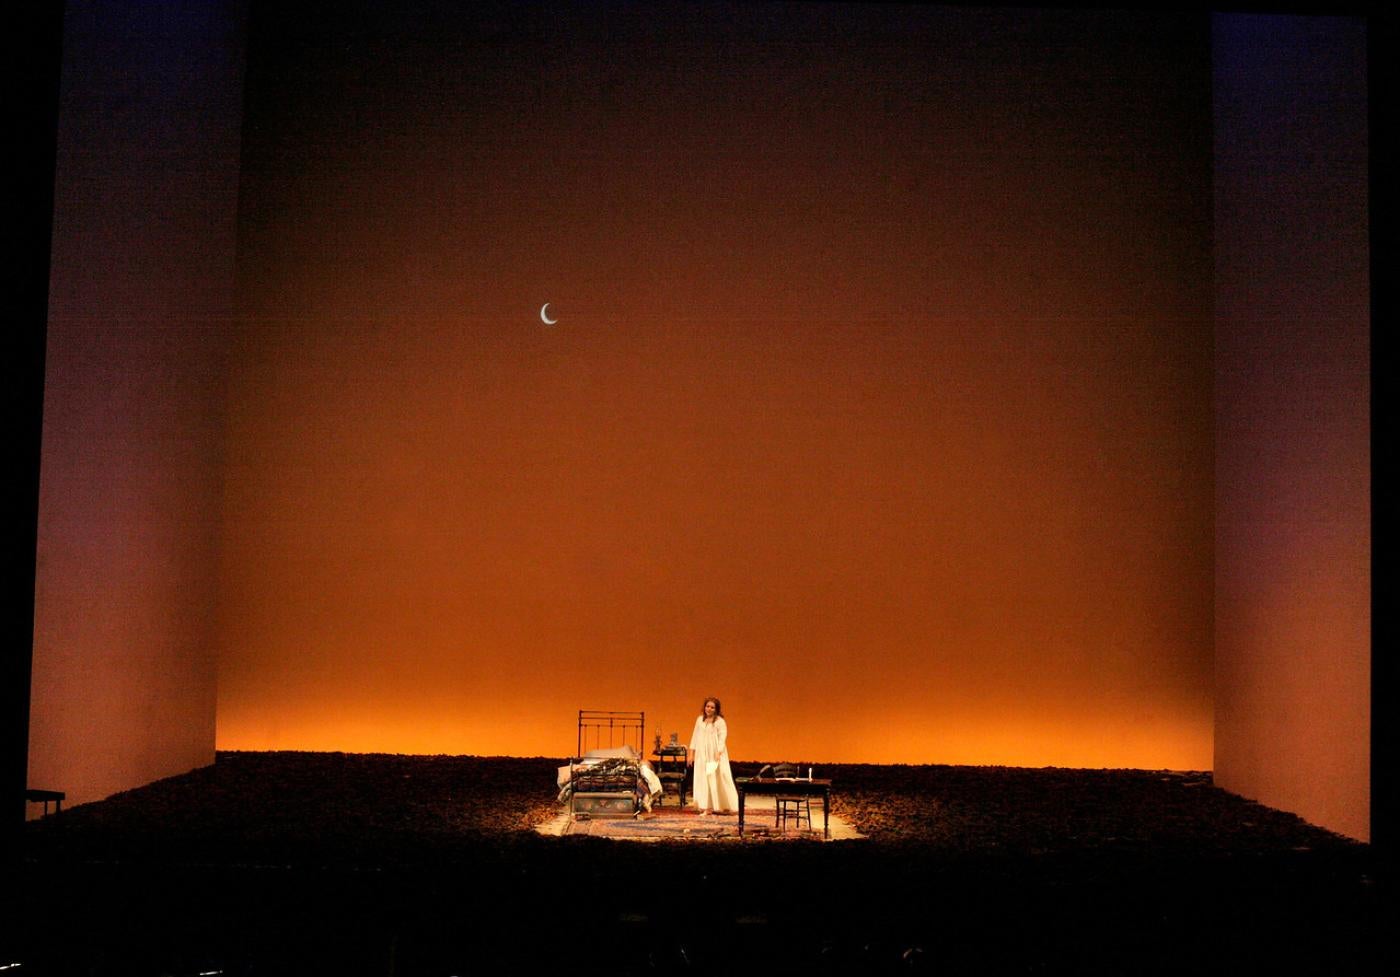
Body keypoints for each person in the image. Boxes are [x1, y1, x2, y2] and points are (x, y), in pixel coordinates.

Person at [688, 696, 738, 815]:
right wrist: (691, 754)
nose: (709, 709)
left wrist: (718, 752)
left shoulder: (720, 722)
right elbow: (694, 737)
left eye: (712, 707)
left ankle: (722, 804)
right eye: (707, 706)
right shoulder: (699, 720)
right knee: (703, 779)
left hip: (714, 754)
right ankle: (706, 806)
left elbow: (722, 738)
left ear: (716, 709)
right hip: (702, 754)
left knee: (718, 778)